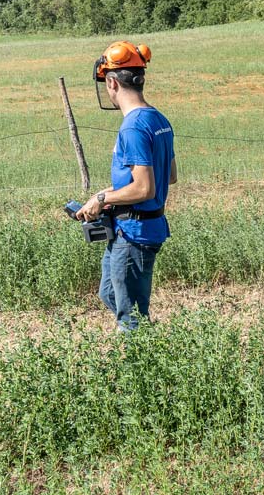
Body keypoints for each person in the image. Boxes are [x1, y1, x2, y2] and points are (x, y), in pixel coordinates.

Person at [77, 41, 176, 331]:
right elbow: (168, 176)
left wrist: (101, 197)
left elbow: (145, 189)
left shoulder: (132, 127)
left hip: (136, 233)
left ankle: (144, 366)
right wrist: (110, 197)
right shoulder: (158, 119)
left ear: (111, 82)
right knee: (109, 293)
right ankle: (147, 344)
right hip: (130, 228)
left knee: (130, 316)